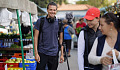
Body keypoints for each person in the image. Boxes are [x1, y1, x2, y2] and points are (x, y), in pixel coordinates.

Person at [34, 2, 64, 70]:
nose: (52, 12)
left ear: (56, 11)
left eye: (54, 10)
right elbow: (35, 38)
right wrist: (36, 53)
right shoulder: (40, 21)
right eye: (50, 9)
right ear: (47, 10)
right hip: (42, 53)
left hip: (54, 53)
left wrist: (62, 54)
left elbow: (61, 40)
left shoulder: (59, 23)